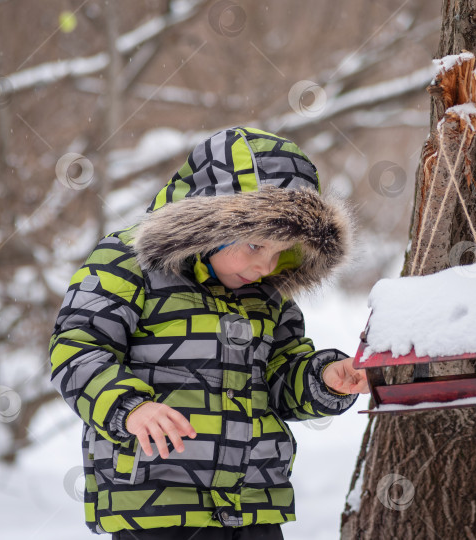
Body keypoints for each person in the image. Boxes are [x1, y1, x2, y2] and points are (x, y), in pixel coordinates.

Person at [49, 126, 369, 539]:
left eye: (280, 253)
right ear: (210, 223)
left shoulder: (267, 294)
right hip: (156, 502)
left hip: (253, 504)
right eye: (255, 246)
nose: (266, 267)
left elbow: (279, 375)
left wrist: (323, 378)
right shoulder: (127, 262)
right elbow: (77, 348)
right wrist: (129, 407)